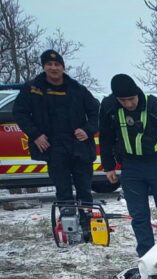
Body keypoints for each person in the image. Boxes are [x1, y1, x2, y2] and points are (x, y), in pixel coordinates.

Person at [12, 50, 99, 238]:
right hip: (53, 147)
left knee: (84, 188)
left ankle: (89, 229)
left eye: (57, 64)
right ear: (44, 67)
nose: (53, 68)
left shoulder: (77, 89)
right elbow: (19, 113)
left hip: (79, 146)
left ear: (62, 67)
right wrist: (35, 135)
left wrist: (87, 129)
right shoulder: (32, 89)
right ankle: (70, 231)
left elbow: (95, 112)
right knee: (63, 189)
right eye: (49, 64)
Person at [98, 74, 157, 256]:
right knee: (139, 216)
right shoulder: (109, 108)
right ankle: (147, 255)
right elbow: (105, 138)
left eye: (131, 99)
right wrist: (108, 166)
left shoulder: (156, 106)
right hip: (131, 167)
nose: (128, 104)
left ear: (137, 92)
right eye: (123, 100)